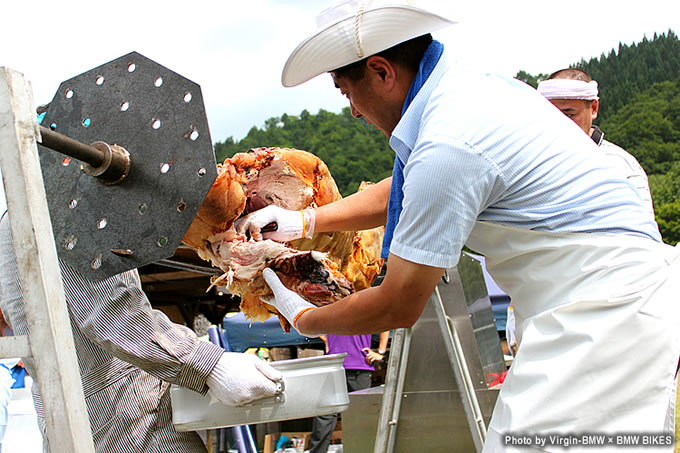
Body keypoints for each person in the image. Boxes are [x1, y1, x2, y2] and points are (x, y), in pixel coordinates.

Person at [237, 1, 680, 451]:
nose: (352, 110)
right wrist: (306, 219)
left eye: (345, 92)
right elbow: (404, 188)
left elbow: (400, 303)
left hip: (608, 312)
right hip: (594, 301)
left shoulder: (449, 138)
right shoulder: (465, 92)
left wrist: (307, 317)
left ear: (382, 72)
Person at [0, 211, 282, 453]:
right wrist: (209, 364)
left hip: (80, 422)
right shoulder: (61, 206)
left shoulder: (17, 214)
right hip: (129, 426)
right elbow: (111, 313)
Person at [537, 68, 655, 214]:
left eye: (569, 114)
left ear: (593, 108)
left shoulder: (622, 166)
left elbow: (640, 228)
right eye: (551, 114)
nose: (559, 123)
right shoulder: (531, 160)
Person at [308, 331, 389, 453]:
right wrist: (326, 340)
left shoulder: (366, 311)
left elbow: (386, 323)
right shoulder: (327, 311)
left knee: (360, 418)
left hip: (359, 367)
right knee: (325, 416)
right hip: (335, 365)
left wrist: (380, 352)